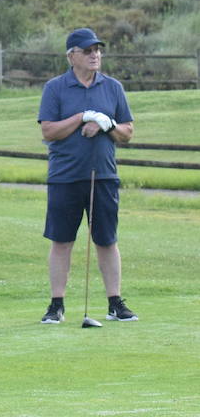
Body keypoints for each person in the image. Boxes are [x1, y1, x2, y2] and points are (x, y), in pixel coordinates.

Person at [37, 28, 137, 324]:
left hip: (104, 176)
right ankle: (56, 305)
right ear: (72, 56)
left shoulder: (113, 87)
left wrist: (106, 124)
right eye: (88, 50)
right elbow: (49, 130)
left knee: (106, 240)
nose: (95, 55)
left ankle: (115, 302)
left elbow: (127, 132)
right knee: (61, 240)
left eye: (97, 50)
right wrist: (83, 116)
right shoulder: (55, 88)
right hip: (65, 176)